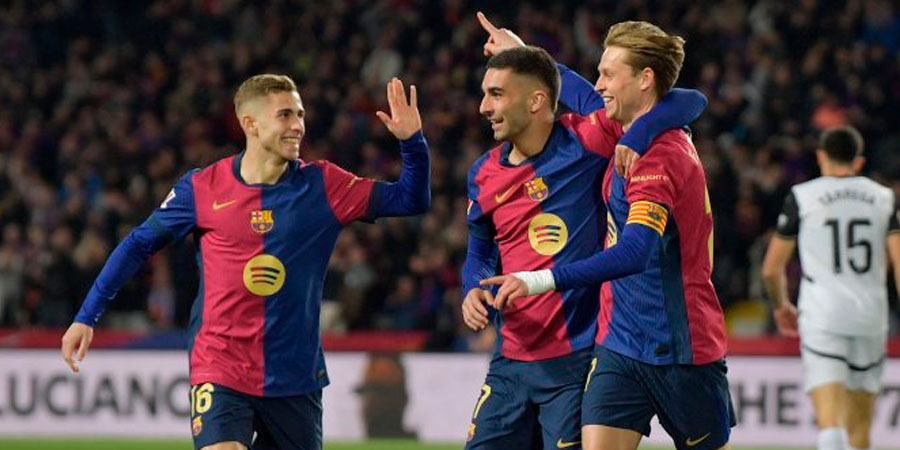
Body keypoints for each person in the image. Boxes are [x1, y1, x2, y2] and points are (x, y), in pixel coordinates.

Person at [59, 74, 430, 450]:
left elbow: (410, 200)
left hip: (294, 376)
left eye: (300, 114)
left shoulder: (324, 185)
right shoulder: (202, 188)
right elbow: (138, 244)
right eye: (285, 115)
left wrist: (412, 141)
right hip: (220, 365)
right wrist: (86, 316)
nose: (298, 126)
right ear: (250, 123)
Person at [480, 19, 735, 450]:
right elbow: (581, 93)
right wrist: (523, 55)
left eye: (608, 74)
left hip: (679, 349)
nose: (599, 84)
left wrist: (538, 279)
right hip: (618, 344)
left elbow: (634, 253)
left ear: (645, 79)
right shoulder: (624, 127)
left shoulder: (661, 157)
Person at [761, 125, 900, 450]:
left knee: (830, 422)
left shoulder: (803, 196)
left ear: (821, 156)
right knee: (860, 428)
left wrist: (781, 306)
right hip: (870, 316)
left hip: (823, 315)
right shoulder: (885, 198)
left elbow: (771, 269)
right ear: (859, 161)